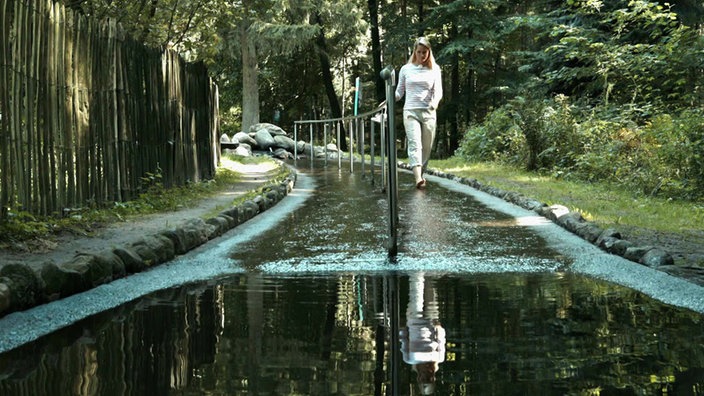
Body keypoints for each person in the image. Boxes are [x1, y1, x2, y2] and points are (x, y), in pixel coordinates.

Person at [395, 37, 443, 189]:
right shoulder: (405, 69)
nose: (422, 55)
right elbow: (398, 93)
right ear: (414, 51)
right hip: (410, 112)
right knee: (415, 144)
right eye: (419, 52)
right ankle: (417, 178)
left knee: (427, 147)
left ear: (429, 52)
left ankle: (421, 174)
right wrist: (388, 99)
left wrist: (434, 103)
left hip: (429, 112)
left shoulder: (435, 69)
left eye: (425, 52)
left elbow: (439, 91)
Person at [399, 272, 446, 395]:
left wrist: (403, 326)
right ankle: (428, 262)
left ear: (419, 379)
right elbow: (441, 339)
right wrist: (438, 327)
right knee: (430, 287)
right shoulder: (439, 358)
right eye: (429, 380)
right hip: (431, 321)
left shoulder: (409, 360)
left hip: (414, 320)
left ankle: (417, 265)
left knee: (416, 286)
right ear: (433, 379)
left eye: (424, 380)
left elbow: (403, 338)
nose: (426, 377)